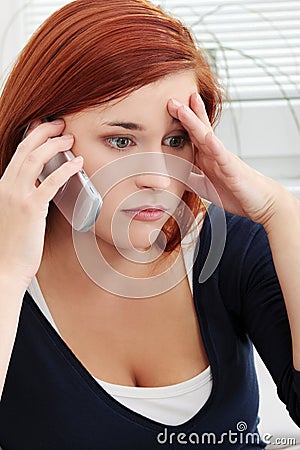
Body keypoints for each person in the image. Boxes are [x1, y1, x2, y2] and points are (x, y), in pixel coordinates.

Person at [0, 0, 299, 448]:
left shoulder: (232, 247)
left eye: (175, 140)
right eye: (121, 140)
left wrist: (281, 210)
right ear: (42, 143)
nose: (158, 178)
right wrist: (7, 273)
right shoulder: (8, 270)